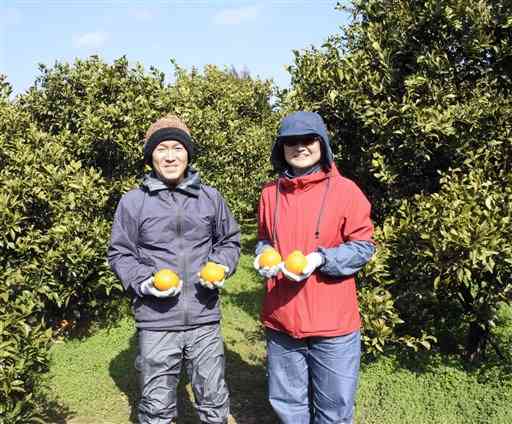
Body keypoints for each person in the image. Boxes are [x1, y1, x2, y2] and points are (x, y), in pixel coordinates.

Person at [108, 114, 240, 424]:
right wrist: (143, 282)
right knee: (156, 406)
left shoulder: (210, 198)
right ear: (150, 156)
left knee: (213, 399)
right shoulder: (133, 202)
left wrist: (221, 265)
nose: (170, 156)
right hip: (156, 320)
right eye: (161, 148)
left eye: (177, 148)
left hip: (204, 317)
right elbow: (121, 252)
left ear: (188, 154)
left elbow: (230, 240)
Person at [254, 111, 375, 424]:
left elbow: (363, 247)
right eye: (290, 141)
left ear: (322, 143)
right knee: (287, 405)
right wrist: (263, 254)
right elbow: (265, 239)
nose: (300, 147)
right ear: (280, 148)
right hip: (282, 318)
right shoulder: (270, 194)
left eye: (308, 139)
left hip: (332, 323)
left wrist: (320, 259)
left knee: (334, 410)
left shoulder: (347, 191)